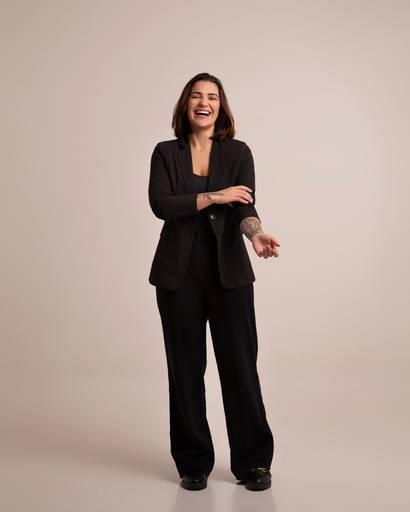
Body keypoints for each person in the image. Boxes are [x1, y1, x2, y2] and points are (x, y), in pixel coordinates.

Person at [148, 72, 281, 491]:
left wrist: (256, 234)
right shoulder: (165, 152)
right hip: (177, 275)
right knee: (185, 370)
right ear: (185, 104)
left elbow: (245, 206)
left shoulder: (238, 152)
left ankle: (254, 463)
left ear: (221, 107)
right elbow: (161, 204)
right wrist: (214, 196)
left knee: (240, 367)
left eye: (212, 97)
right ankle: (193, 463)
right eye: (196, 96)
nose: (204, 103)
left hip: (230, 275)